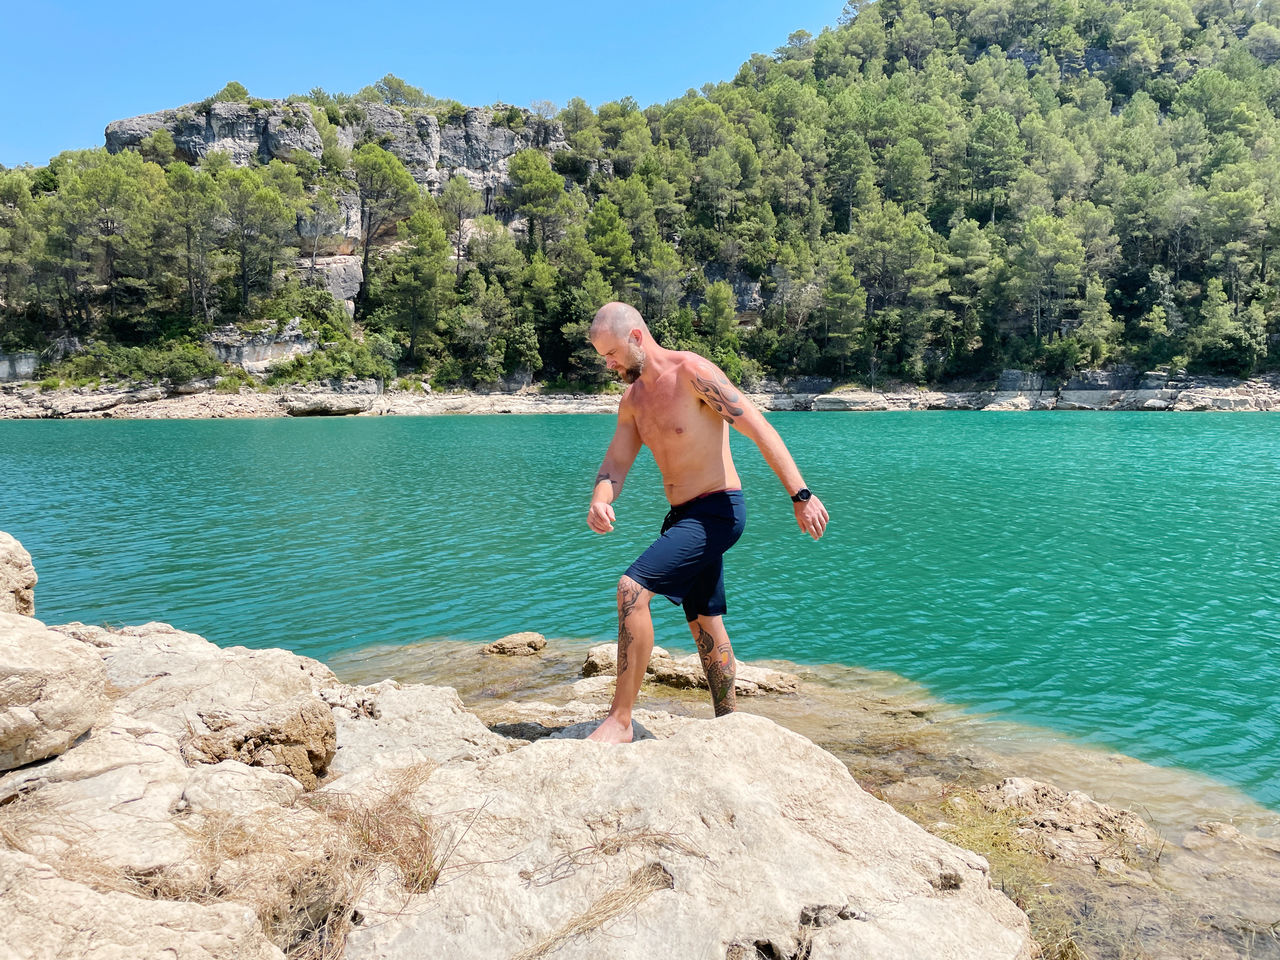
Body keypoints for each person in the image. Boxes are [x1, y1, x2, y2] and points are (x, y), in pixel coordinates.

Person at [585, 301, 829, 744]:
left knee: (631, 590)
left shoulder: (693, 373)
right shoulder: (633, 400)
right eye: (604, 357)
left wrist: (801, 495)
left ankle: (620, 721)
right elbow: (614, 466)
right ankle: (729, 724)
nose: (609, 364)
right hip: (682, 516)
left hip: (719, 509)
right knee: (704, 619)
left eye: (612, 353)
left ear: (637, 337)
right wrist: (601, 498)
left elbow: (759, 429)